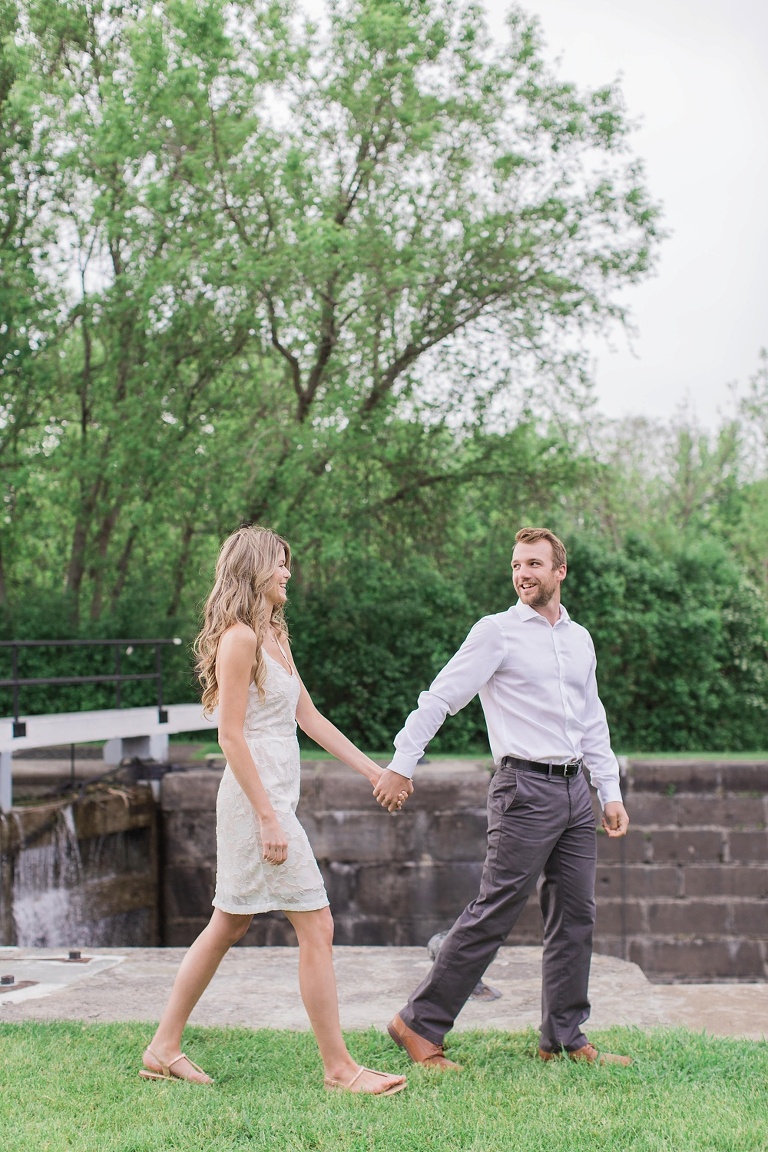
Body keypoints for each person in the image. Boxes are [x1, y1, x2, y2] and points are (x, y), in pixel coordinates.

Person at [140, 525, 406, 1096]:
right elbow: (231, 737)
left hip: (275, 797)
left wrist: (373, 771)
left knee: (228, 923)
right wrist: (266, 816)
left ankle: (163, 1048)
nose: (288, 574)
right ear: (255, 568)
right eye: (280, 565)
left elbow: (309, 719)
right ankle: (339, 1069)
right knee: (318, 924)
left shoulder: (275, 637)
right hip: (253, 801)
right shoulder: (239, 639)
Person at [373, 526, 631, 1069]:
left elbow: (593, 719)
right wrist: (402, 763)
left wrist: (609, 791)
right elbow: (440, 697)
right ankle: (417, 1024)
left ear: (559, 571)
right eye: (517, 565)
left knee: (576, 914)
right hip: (524, 790)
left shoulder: (579, 639)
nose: (523, 574)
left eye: (534, 564)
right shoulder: (496, 633)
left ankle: (563, 1036)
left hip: (575, 790)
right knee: (496, 909)